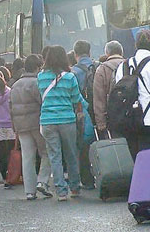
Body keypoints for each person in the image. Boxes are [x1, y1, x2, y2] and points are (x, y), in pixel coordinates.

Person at [114, 29, 150, 157]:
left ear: (136, 45)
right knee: (149, 160)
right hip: (148, 122)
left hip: (127, 121)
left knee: (135, 160)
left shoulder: (123, 66)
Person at [38, 45, 83, 201]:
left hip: (48, 121)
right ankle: (75, 187)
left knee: (54, 156)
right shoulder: (70, 77)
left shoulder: (41, 77)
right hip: (67, 120)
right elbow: (76, 99)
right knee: (71, 154)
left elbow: (40, 95)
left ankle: (61, 191)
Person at [11, 54, 52, 200]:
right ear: (37, 67)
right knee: (47, 152)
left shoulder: (15, 85)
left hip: (21, 126)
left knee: (27, 157)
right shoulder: (36, 83)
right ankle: (42, 180)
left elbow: (11, 108)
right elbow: (43, 102)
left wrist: (14, 126)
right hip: (37, 123)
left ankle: (29, 191)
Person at [71, 40, 96, 190]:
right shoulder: (98, 67)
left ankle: (86, 180)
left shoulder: (73, 72)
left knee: (82, 145)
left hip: (82, 111)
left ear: (75, 54)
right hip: (99, 109)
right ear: (90, 52)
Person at [93, 41, 124, 137]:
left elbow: (99, 98)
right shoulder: (131, 65)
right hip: (131, 116)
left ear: (107, 53)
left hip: (112, 116)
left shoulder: (102, 69)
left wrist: (101, 123)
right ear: (121, 52)